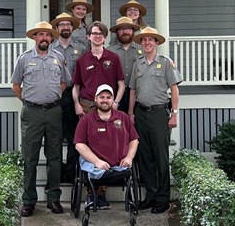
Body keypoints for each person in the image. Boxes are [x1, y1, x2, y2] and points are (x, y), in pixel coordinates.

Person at [11, 21, 71, 217]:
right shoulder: (24, 59)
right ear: (35, 37)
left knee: (54, 157)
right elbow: (16, 85)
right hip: (32, 113)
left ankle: (53, 198)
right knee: (30, 157)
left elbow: (64, 82)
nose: (44, 38)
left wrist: (51, 96)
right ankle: (28, 201)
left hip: (54, 112)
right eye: (40, 34)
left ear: (51, 38)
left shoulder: (58, 58)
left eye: (47, 35)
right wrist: (30, 100)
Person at [128, 27, 183, 214]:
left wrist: (174, 113)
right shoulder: (138, 64)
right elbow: (133, 90)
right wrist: (130, 113)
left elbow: (174, 90)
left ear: (156, 43)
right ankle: (150, 197)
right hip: (141, 114)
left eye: (151, 40)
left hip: (159, 114)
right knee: (145, 157)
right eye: (144, 40)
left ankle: (163, 198)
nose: (147, 43)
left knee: (160, 157)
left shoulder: (166, 63)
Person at [72, 20, 126, 209]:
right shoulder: (82, 60)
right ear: (88, 37)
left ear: (104, 37)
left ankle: (101, 195)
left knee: (105, 145)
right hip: (87, 105)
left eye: (100, 34)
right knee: (89, 147)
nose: (97, 36)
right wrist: (77, 104)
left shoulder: (114, 58)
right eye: (94, 33)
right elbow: (76, 86)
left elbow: (121, 84)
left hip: (107, 105)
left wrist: (116, 103)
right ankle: (91, 194)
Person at [74, 84, 139, 208]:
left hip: (119, 164)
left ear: (113, 99)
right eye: (102, 97)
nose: (105, 100)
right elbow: (79, 144)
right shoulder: (86, 120)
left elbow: (134, 139)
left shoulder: (123, 117)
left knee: (125, 170)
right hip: (94, 164)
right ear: (95, 99)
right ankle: (94, 194)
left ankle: (103, 188)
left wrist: (129, 157)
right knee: (91, 169)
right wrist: (96, 161)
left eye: (108, 97)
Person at [50, 12, 88, 183]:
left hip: (74, 96)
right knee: (55, 137)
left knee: (74, 136)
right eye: (61, 24)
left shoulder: (81, 49)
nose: (65, 27)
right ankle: (56, 174)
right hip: (55, 97)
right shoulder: (50, 48)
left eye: (68, 24)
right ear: (57, 28)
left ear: (73, 28)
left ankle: (72, 172)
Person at [107, 16, 141, 113]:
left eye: (128, 28)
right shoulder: (109, 51)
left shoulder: (142, 49)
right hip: (116, 94)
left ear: (133, 31)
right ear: (117, 32)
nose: (125, 31)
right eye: (121, 29)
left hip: (137, 93)